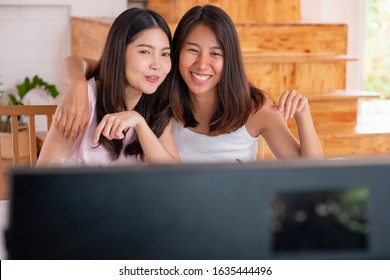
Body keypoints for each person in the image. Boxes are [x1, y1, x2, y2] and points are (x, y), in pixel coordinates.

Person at [54, 5, 323, 163]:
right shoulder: (161, 93)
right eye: (192, 50)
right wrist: (77, 84)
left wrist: (303, 114)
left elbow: (313, 175)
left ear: (230, 60)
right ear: (177, 51)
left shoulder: (255, 107)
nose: (202, 65)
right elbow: (90, 62)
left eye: (216, 54)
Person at [36, 8, 178, 166]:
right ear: (119, 52)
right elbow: (44, 173)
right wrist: (77, 83)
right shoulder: (85, 99)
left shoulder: (157, 105)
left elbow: (175, 176)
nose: (157, 65)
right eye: (145, 51)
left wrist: (139, 123)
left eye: (165, 54)